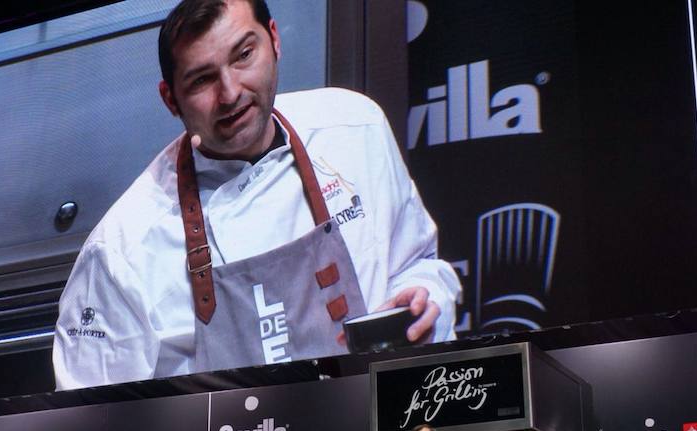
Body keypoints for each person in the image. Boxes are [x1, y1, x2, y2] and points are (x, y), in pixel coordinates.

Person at [52, 0, 460, 390]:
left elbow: (419, 265)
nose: (230, 93)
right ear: (170, 99)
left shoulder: (356, 129)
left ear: (274, 39)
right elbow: (95, 416)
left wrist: (425, 298)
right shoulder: (121, 248)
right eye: (202, 79)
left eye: (243, 55)